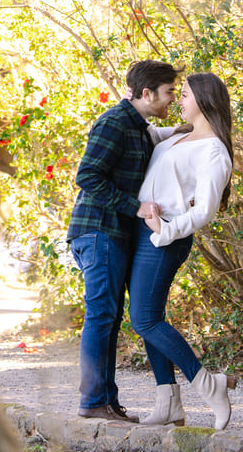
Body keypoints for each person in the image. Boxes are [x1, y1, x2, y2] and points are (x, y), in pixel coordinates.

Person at [67, 60, 183, 422]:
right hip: (98, 230)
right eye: (168, 94)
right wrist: (135, 207)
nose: (172, 100)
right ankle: (93, 403)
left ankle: (105, 402)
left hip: (111, 233)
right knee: (101, 315)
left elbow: (158, 136)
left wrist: (183, 128)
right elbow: (87, 176)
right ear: (146, 93)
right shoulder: (114, 123)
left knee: (110, 317)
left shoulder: (139, 127)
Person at [128, 72, 237, 430]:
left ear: (205, 101)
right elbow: (142, 132)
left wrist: (167, 230)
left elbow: (206, 209)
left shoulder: (214, 150)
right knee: (150, 319)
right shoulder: (179, 136)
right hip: (146, 236)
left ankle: (209, 385)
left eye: (185, 94)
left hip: (166, 240)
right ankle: (168, 404)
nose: (179, 100)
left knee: (144, 319)